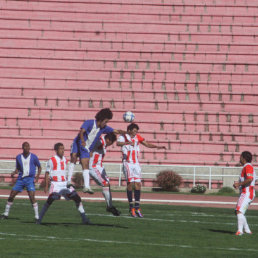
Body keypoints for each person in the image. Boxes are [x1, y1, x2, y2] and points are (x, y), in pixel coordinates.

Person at [68, 108, 124, 194]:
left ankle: (86, 187)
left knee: (85, 164)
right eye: (105, 121)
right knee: (74, 157)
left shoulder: (103, 128)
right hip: (78, 142)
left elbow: (115, 131)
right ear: (101, 119)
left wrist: (126, 132)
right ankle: (68, 181)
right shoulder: (90, 122)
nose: (106, 123)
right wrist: (83, 141)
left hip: (86, 147)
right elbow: (81, 132)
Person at [117, 123, 166, 218]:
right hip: (127, 162)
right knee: (130, 184)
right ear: (130, 130)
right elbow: (118, 143)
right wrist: (127, 143)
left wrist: (157, 147)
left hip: (136, 163)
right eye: (135, 130)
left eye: (137, 131)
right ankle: (131, 208)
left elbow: (147, 144)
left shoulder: (137, 137)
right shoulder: (123, 136)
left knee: (138, 184)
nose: (136, 132)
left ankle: (137, 207)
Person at [37, 143, 90, 225]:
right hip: (56, 184)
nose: (62, 150)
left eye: (63, 148)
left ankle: (84, 219)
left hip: (65, 183)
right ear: (56, 150)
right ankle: (39, 219)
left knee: (77, 198)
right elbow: (47, 173)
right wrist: (46, 186)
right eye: (60, 149)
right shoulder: (52, 160)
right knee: (50, 201)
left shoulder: (65, 159)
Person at [1, 142, 41, 222]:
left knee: (31, 196)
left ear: (29, 148)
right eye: (25, 146)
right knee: (12, 194)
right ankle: (6, 213)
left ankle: (37, 216)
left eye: (28, 146)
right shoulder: (18, 157)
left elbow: (39, 167)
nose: (27, 148)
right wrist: (14, 172)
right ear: (22, 148)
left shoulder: (34, 157)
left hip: (29, 179)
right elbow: (18, 168)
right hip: (21, 179)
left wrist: (37, 177)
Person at [89, 132, 121, 216]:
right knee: (105, 184)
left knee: (107, 185)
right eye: (111, 142)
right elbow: (94, 139)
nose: (111, 145)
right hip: (93, 167)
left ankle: (109, 206)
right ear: (108, 140)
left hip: (99, 167)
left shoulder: (104, 144)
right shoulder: (100, 141)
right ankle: (110, 206)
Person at [233, 151, 256, 236]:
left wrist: (239, 184)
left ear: (244, 158)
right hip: (247, 192)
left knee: (239, 211)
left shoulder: (248, 166)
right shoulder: (248, 167)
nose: (239, 159)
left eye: (240, 157)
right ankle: (247, 230)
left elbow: (250, 179)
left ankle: (240, 231)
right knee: (239, 211)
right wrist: (239, 184)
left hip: (247, 192)